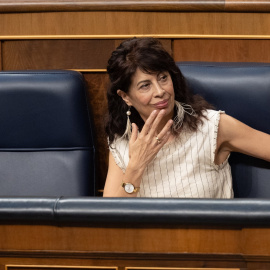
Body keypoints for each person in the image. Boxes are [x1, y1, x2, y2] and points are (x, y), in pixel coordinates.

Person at [103, 37, 270, 198]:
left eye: (163, 78)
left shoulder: (210, 126)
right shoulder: (121, 143)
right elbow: (110, 219)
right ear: (125, 97)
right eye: (145, 85)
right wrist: (135, 168)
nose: (160, 91)